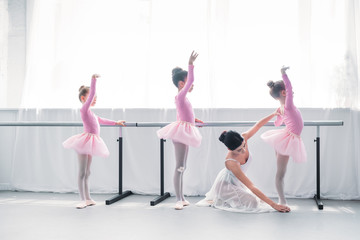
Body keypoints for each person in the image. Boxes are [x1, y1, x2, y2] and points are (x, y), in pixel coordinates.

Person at [197, 113, 290, 213]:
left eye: (244, 145)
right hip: (227, 185)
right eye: (239, 150)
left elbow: (258, 125)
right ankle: (221, 198)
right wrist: (273, 205)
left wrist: (274, 114)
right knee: (253, 203)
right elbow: (251, 186)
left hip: (238, 181)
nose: (243, 151)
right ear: (229, 149)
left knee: (257, 201)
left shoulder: (244, 137)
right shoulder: (231, 162)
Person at [63, 74, 125, 209]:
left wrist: (116, 122)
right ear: (83, 98)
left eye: (96, 97)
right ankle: (82, 199)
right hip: (84, 141)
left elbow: (102, 120)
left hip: (91, 142)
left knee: (87, 172)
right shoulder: (84, 110)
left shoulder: (91, 113)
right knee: (81, 172)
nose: (95, 98)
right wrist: (93, 81)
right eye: (92, 96)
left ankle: (88, 198)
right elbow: (91, 96)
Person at [157, 51, 203, 210]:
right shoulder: (181, 96)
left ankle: (181, 197)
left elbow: (181, 113)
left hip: (185, 129)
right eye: (188, 83)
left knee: (183, 166)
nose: (191, 85)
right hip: (181, 132)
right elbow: (191, 80)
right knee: (179, 166)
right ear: (182, 84)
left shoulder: (183, 98)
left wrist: (193, 120)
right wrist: (191, 64)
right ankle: (178, 198)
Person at [261, 66, 307, 206]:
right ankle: (282, 201)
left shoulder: (282, 108)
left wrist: (278, 116)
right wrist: (283, 74)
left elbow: (277, 123)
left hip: (286, 138)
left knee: (281, 172)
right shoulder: (287, 105)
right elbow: (289, 86)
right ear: (283, 92)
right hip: (287, 140)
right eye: (289, 92)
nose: (292, 92)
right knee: (280, 174)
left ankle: (282, 199)